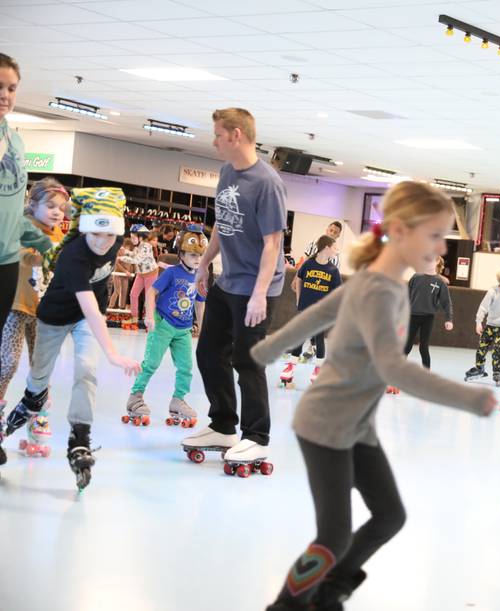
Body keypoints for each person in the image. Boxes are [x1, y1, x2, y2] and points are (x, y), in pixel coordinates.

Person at [249, 180, 495, 611]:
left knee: (389, 515)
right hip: (325, 424)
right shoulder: (378, 289)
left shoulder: (382, 283)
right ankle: (287, 605)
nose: (441, 249)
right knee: (333, 536)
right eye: (435, 236)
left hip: (356, 426)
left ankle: (327, 593)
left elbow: (320, 314)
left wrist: (268, 349)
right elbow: (393, 367)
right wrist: (469, 399)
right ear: (399, 231)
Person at [0, 187, 141, 484]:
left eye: (110, 236)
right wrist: (113, 353)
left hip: (85, 320)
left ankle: (80, 438)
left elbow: (91, 313)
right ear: (86, 230)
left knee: (86, 370)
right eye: (96, 236)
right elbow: (88, 305)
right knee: (37, 387)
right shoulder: (73, 256)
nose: (103, 243)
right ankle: (12, 421)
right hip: (53, 318)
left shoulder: (114, 244)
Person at [181, 108, 287, 468]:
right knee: (209, 353)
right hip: (228, 282)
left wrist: (259, 294)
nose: (213, 141)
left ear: (236, 135)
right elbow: (221, 224)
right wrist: (206, 263)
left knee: (247, 361)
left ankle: (257, 437)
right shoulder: (227, 172)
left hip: (256, 288)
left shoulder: (267, 183)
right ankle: (223, 425)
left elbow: (273, 243)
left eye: (217, 135)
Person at [0, 179, 68, 450]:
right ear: (33, 204)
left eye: (61, 208)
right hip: (16, 307)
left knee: (41, 369)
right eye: (50, 206)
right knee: (7, 364)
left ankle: (38, 418)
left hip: (44, 313)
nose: (56, 212)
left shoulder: (60, 237)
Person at [124, 227, 208, 427]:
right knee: (151, 363)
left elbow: (200, 301)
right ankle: (135, 396)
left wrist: (202, 327)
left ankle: (178, 400)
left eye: (200, 256)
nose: (197, 259)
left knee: (186, 367)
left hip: (184, 329)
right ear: (181, 254)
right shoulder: (171, 273)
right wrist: (149, 315)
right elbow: (152, 292)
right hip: (163, 324)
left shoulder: (200, 277)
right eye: (193, 255)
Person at [0, 54, 51, 371]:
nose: (5, 95)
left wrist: (45, 243)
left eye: (11, 88)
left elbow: (13, 210)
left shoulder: (15, 142)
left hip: (5, 261)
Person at [279, 235, 341, 389]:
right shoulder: (308, 264)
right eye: (335, 248)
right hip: (305, 308)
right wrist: (299, 299)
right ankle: (290, 367)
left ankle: (318, 370)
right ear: (326, 248)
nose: (336, 251)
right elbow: (299, 279)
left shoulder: (333, 271)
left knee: (319, 338)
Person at [464, 269, 500, 387]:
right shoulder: (493, 291)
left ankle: (497, 372)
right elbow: (483, 307)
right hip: (490, 325)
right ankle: (479, 368)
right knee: (482, 347)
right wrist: (478, 322)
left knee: (497, 350)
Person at [402, 256, 454, 370]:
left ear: (437, 263)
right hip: (412, 316)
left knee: (423, 348)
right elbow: (406, 296)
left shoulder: (440, 282)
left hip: (428, 318)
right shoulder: (416, 277)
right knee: (406, 346)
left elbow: (447, 302)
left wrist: (449, 319)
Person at [120, 225, 158, 330]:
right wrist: (126, 252)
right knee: (133, 294)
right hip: (141, 274)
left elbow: (136, 260)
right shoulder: (138, 246)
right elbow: (134, 254)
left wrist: (121, 258)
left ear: (140, 237)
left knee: (149, 298)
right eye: (131, 237)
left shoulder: (147, 246)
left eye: (133, 237)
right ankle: (134, 317)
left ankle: (151, 320)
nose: (132, 240)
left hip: (151, 274)